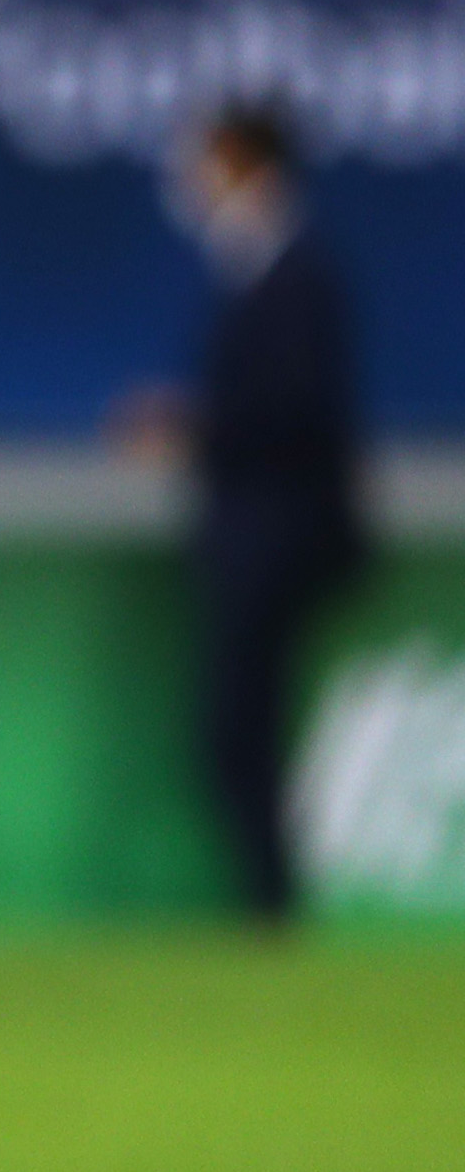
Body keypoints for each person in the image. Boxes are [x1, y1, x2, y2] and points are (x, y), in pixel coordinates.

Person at [168, 107, 365, 921]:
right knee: (236, 731)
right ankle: (268, 904)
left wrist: (200, 424)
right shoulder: (247, 268)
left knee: (240, 728)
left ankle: (273, 906)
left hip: (278, 534)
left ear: (247, 164)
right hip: (251, 532)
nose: (190, 179)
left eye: (206, 160)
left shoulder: (297, 272)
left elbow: (300, 406)